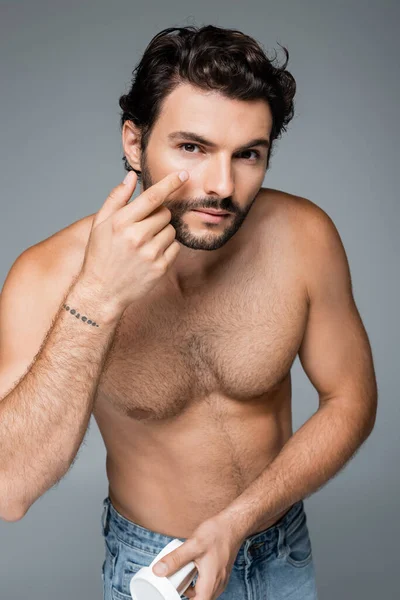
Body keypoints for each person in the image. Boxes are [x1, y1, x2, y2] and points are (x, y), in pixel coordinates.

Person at [0, 24, 377, 600]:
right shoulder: (47, 276)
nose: (222, 187)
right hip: (158, 573)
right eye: (193, 148)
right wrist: (97, 298)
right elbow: (10, 487)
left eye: (248, 155)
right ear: (134, 142)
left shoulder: (304, 236)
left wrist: (238, 521)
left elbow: (352, 399)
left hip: (279, 546)